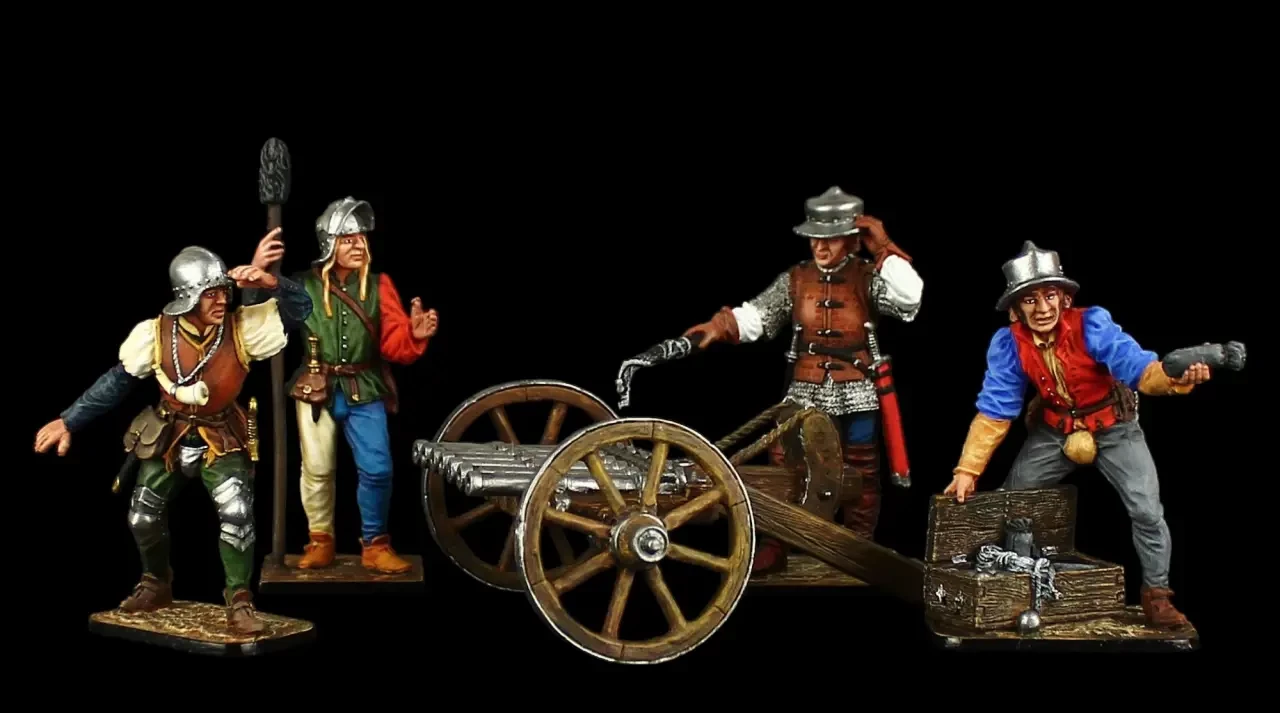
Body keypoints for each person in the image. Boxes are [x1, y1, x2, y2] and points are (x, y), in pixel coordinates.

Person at [34, 234, 313, 634]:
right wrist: (69, 421)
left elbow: (300, 311)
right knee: (141, 514)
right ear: (188, 298)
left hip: (222, 435)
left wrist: (273, 284)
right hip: (170, 435)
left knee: (237, 515)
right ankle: (155, 583)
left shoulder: (242, 328)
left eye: (223, 291)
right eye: (210, 294)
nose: (221, 300)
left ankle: (240, 600)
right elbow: (117, 381)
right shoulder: (155, 334)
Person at [942, 240, 1210, 630]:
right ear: (1015, 309)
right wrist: (968, 469)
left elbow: (1136, 366)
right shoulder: (1009, 344)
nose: (1042, 308)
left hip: (1113, 426)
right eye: (1030, 300)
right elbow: (996, 409)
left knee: (1147, 511)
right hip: (1054, 430)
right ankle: (1012, 584)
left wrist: (1174, 379)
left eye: (1050, 296)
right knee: (1014, 501)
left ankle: (1157, 595)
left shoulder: (1092, 325)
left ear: (1065, 299)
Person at [682, 186, 922, 572]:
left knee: (860, 469)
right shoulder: (796, 279)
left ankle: (858, 545)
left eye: (831, 239)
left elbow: (909, 299)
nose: (820, 247)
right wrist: (721, 326)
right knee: (787, 466)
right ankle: (778, 542)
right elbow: (759, 315)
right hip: (805, 386)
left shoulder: (867, 277)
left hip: (857, 389)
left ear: (852, 239)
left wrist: (883, 249)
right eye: (815, 238)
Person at [247, 196, 437, 574]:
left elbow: (392, 344)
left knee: (378, 468)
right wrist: (258, 271)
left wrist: (412, 335)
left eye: (361, 238)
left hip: (365, 386)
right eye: (348, 239)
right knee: (317, 469)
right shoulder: (303, 285)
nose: (358, 245)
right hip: (314, 387)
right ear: (329, 243)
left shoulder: (380, 286)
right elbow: (258, 316)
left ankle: (375, 544)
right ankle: (320, 540)